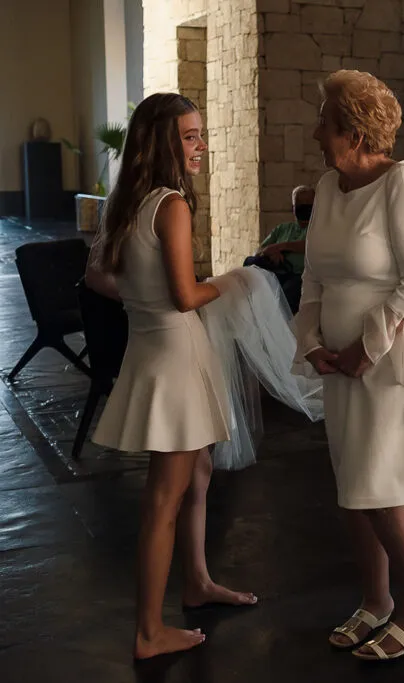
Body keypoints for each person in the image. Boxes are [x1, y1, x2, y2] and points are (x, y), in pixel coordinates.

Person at [87, 92, 257, 660]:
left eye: (200, 134)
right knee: (164, 499)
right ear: (163, 143)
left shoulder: (127, 204)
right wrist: (231, 282)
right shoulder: (172, 205)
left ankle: (198, 581)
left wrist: (143, 300)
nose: (201, 145)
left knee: (198, 470)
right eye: (190, 136)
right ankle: (148, 631)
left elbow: (98, 276)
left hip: (151, 349)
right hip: (177, 358)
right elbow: (186, 296)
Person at [293, 69, 404, 660]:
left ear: (354, 133)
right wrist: (311, 341)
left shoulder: (402, 182)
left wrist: (366, 347)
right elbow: (312, 276)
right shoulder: (329, 187)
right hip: (339, 365)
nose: (315, 134)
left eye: (324, 124)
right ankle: (376, 601)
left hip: (390, 364)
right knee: (352, 488)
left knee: (382, 489)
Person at [243, 185, 314, 312]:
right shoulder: (283, 229)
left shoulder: (317, 229)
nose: (304, 211)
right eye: (300, 206)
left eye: (308, 206)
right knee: (249, 265)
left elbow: (310, 245)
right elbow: (258, 251)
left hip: (300, 276)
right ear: (293, 208)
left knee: (285, 295)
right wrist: (270, 253)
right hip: (276, 271)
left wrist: (281, 246)